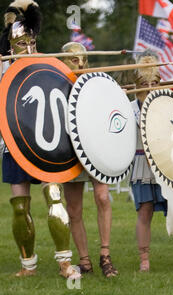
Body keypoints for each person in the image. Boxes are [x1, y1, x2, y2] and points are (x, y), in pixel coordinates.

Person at [0, 0, 80, 279]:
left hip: (47, 144)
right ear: (10, 44)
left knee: (54, 197)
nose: (27, 45)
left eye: (30, 39)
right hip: (13, 145)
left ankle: (65, 264)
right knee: (20, 206)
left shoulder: (47, 65)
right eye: (21, 41)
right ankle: (28, 266)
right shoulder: (2, 70)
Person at [129, 49, 173, 276]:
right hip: (142, 163)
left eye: (154, 82)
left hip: (167, 162)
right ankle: (144, 262)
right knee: (145, 212)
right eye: (145, 82)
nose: (150, 87)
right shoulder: (131, 108)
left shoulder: (167, 104)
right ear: (138, 83)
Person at [60, 41, 119, 277]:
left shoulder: (95, 85)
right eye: (74, 59)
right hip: (69, 150)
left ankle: (105, 255)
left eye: (83, 58)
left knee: (103, 196)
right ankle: (84, 261)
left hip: (95, 146)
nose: (81, 63)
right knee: (74, 208)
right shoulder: (56, 85)